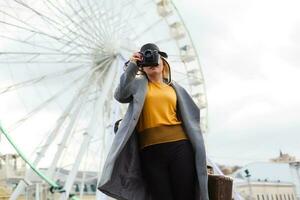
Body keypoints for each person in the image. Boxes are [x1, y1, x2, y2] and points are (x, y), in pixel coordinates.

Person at [98, 43, 209, 200]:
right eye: (146, 60)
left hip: (180, 147)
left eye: (155, 57)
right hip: (149, 152)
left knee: (184, 195)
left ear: (164, 64)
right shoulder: (137, 85)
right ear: (142, 67)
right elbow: (121, 95)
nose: (151, 62)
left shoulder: (176, 89)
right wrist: (132, 67)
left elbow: (192, 117)